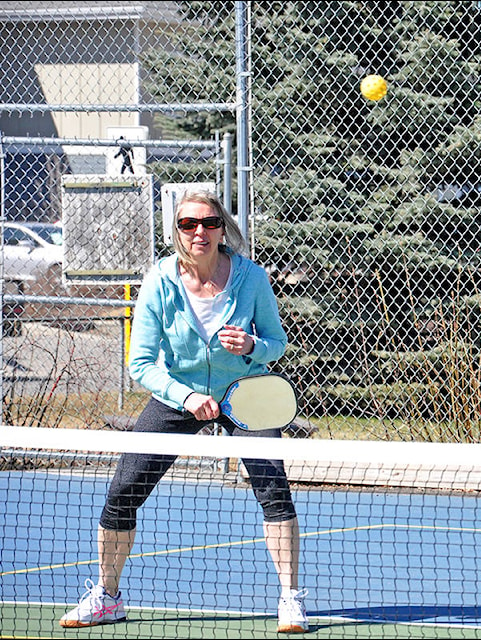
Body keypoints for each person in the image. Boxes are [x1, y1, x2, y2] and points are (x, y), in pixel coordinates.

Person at [60, 191, 309, 633]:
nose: (200, 232)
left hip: (245, 391)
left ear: (222, 227)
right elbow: (141, 362)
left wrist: (253, 345)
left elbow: (277, 342)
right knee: (124, 489)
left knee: (274, 489)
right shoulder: (160, 280)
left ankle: (290, 600)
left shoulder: (251, 278)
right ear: (176, 231)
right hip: (181, 395)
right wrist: (186, 397)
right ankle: (107, 597)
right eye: (189, 224)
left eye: (209, 223)